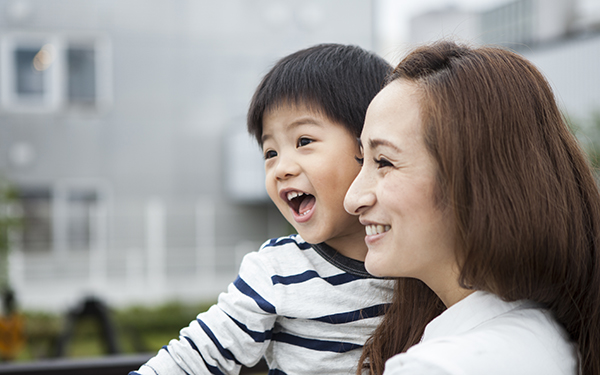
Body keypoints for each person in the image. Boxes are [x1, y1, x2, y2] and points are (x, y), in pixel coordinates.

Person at [130, 43, 394, 375]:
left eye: (304, 141)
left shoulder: (415, 260)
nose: (281, 168)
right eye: (270, 153)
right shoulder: (277, 271)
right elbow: (193, 359)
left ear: (371, 146)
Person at [344, 40, 600, 375]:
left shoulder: (439, 366)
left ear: (478, 179)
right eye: (362, 160)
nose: (352, 199)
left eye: (385, 162)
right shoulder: (549, 338)